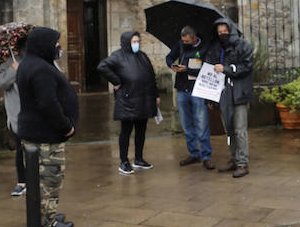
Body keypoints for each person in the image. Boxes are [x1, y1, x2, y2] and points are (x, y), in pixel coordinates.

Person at [16, 26, 77, 227]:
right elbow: (48, 103)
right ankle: (45, 224)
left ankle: (44, 216)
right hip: (45, 137)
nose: (58, 46)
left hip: (33, 133)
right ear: (44, 45)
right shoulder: (41, 69)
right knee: (49, 181)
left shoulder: (29, 64)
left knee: (38, 181)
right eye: (55, 43)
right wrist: (66, 126)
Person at [98, 30, 160, 175]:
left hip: (144, 99)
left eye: (138, 41)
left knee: (141, 130)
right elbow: (102, 67)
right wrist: (116, 81)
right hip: (128, 100)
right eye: (134, 41)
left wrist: (155, 95)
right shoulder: (118, 56)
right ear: (127, 42)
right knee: (126, 131)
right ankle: (124, 161)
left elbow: (151, 76)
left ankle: (139, 158)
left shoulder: (142, 56)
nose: (136, 44)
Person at [205, 18, 253, 178]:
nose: (222, 34)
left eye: (224, 31)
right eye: (219, 32)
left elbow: (247, 67)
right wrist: (210, 98)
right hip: (224, 94)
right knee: (230, 130)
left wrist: (227, 69)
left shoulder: (243, 45)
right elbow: (210, 71)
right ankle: (234, 159)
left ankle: (242, 163)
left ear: (230, 29)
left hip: (239, 94)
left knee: (240, 130)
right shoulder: (216, 48)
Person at [165, 25, 213, 169]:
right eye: (182, 41)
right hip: (182, 89)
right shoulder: (180, 45)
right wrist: (172, 65)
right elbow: (169, 57)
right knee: (187, 124)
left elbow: (208, 69)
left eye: (186, 41)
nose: (184, 43)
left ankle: (206, 156)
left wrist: (188, 70)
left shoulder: (205, 47)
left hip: (198, 90)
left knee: (202, 124)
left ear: (194, 38)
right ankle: (194, 154)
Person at [0, 48, 28, 197]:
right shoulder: (8, 64)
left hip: (36, 112)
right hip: (18, 114)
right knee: (20, 148)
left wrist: (22, 70)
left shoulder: (37, 60)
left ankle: (38, 179)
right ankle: (22, 182)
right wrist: (14, 71)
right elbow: (0, 83)